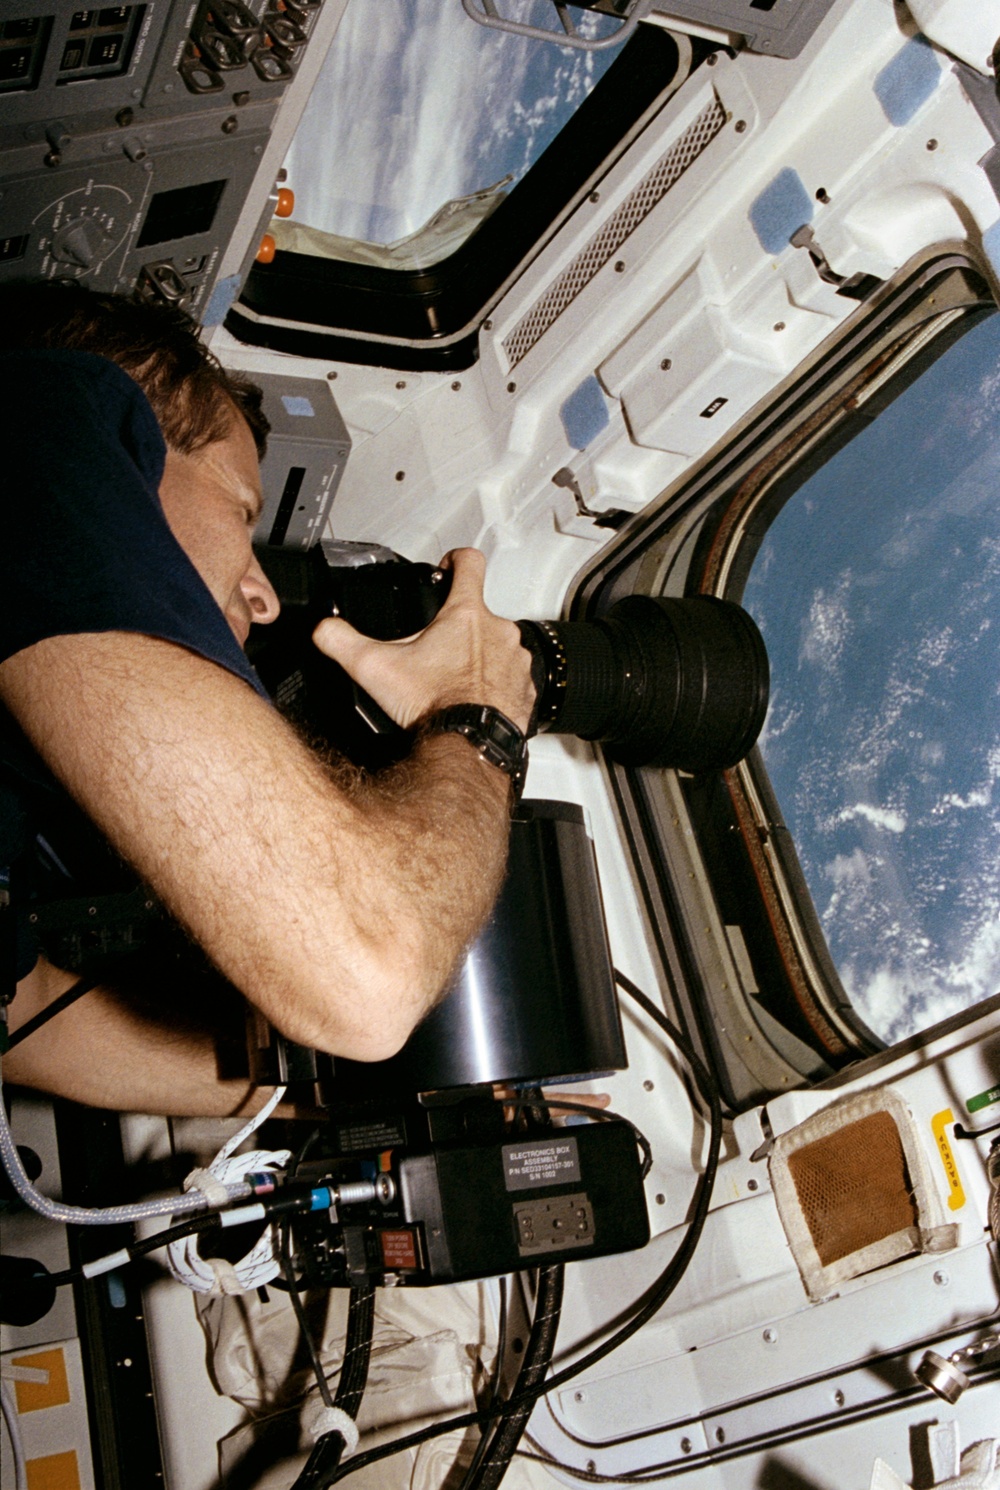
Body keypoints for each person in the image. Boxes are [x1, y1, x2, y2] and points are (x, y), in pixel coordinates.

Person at [0, 282, 536, 1117]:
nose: (263, 598)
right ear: (131, 427)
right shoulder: (38, 411)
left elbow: (25, 1017)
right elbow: (366, 978)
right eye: (241, 511)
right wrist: (477, 716)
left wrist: (325, 1107)